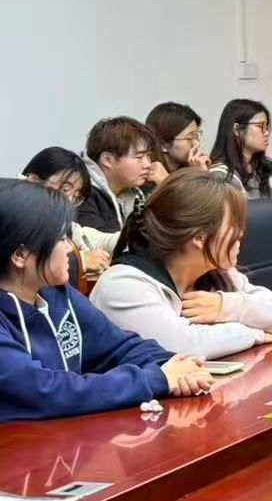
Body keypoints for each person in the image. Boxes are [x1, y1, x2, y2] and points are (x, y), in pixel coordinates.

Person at [0, 178, 213, 423]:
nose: (70, 248)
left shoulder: (56, 293)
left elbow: (119, 346)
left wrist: (176, 365)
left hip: (70, 438)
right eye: (60, 238)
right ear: (20, 255)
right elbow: (45, 391)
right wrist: (158, 379)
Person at [90, 170, 272, 360]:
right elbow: (183, 346)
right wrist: (257, 334)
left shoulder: (218, 275)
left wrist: (227, 306)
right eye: (233, 225)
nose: (241, 233)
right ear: (199, 237)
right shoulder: (123, 284)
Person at [22, 147, 114, 276]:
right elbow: (21, 261)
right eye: (65, 189)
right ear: (33, 180)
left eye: (76, 196)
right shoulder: (12, 214)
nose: (70, 201)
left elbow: (99, 241)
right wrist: (80, 261)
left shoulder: (59, 220)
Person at [78, 116, 157, 235]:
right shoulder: (81, 196)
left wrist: (166, 183)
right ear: (107, 160)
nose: (148, 164)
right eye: (139, 157)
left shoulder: (144, 187)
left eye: (148, 156)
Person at [209, 99, 272, 202]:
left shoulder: (266, 168)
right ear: (237, 130)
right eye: (260, 126)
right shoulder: (220, 175)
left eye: (267, 127)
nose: (266, 133)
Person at [146, 102, 212, 178]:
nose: (197, 144)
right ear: (163, 145)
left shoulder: (193, 169)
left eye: (196, 136)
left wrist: (202, 174)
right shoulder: (147, 176)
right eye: (190, 138)